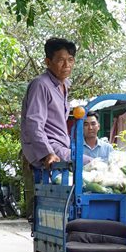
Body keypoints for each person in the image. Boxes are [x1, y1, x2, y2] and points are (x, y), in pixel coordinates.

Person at [21, 37, 76, 169]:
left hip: (61, 148)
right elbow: (34, 123)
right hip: (49, 149)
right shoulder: (41, 84)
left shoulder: (64, 85)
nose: (66, 65)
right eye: (60, 60)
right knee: (94, 164)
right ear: (48, 62)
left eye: (70, 60)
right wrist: (48, 153)